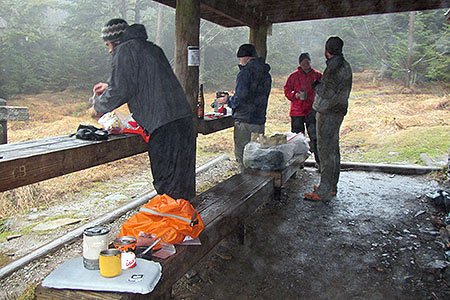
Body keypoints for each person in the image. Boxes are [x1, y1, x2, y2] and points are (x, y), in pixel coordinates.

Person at [91, 18, 196, 201]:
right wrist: (109, 87)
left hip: (163, 126)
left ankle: (173, 225)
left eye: (108, 45)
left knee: (168, 187)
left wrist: (98, 107)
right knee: (184, 184)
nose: (109, 50)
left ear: (116, 40)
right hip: (183, 121)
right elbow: (144, 82)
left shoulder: (124, 50)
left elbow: (121, 89)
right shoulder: (153, 48)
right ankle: (187, 225)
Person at [304, 36, 352, 202]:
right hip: (336, 111)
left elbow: (327, 92)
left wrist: (316, 85)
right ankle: (331, 186)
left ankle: (324, 191)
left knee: (326, 151)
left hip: (328, 113)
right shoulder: (344, 65)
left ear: (327, 51)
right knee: (333, 150)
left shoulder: (334, 67)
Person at [216, 44, 271, 172]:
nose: (239, 62)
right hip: (259, 119)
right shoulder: (265, 73)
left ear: (246, 58)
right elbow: (254, 94)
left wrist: (227, 100)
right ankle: (258, 186)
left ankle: (246, 186)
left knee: (243, 157)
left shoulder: (245, 73)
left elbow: (240, 99)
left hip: (245, 121)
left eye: (240, 59)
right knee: (257, 155)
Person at [284, 52, 322, 168]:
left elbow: (324, 90)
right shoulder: (294, 76)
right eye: (303, 62)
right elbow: (287, 90)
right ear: (300, 63)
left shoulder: (317, 75)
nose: (306, 63)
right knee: (297, 140)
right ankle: (297, 164)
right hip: (297, 111)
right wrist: (294, 95)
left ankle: (319, 162)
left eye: (307, 61)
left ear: (310, 62)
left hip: (312, 110)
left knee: (315, 137)